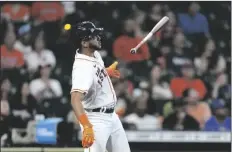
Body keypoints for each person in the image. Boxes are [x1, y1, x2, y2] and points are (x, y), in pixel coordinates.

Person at [70, 21, 130, 152]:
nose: (98, 37)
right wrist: (86, 126)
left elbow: (94, 74)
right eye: (94, 36)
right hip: (96, 120)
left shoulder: (94, 54)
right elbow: (75, 99)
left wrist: (105, 72)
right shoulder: (82, 68)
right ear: (84, 43)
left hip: (111, 116)